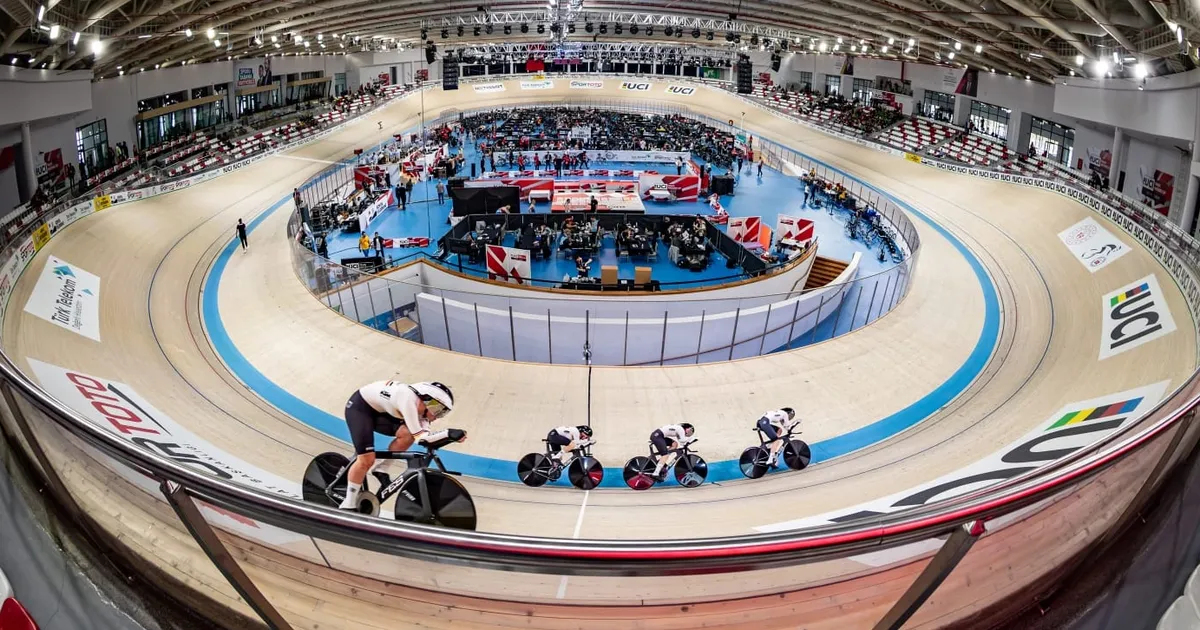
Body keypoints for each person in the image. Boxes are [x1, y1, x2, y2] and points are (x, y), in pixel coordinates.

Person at [339, 381, 463, 510]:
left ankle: (381, 468)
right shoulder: (407, 398)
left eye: (442, 413)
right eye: (437, 410)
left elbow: (426, 438)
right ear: (426, 399)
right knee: (366, 459)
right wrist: (448, 433)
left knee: (408, 434)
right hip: (360, 408)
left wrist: (449, 437)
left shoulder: (422, 412)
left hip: (382, 412)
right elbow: (421, 438)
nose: (437, 416)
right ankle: (348, 504)